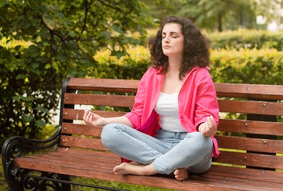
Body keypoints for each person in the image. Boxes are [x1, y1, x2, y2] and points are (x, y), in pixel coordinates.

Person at [83, 16, 219, 181]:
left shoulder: (201, 75)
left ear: (188, 42)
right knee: (109, 132)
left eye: (174, 36)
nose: (166, 40)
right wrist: (103, 121)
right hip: (160, 142)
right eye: (163, 36)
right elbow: (138, 115)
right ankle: (173, 166)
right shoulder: (151, 75)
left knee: (202, 141)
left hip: (189, 145)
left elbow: (205, 114)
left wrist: (206, 127)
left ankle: (145, 169)